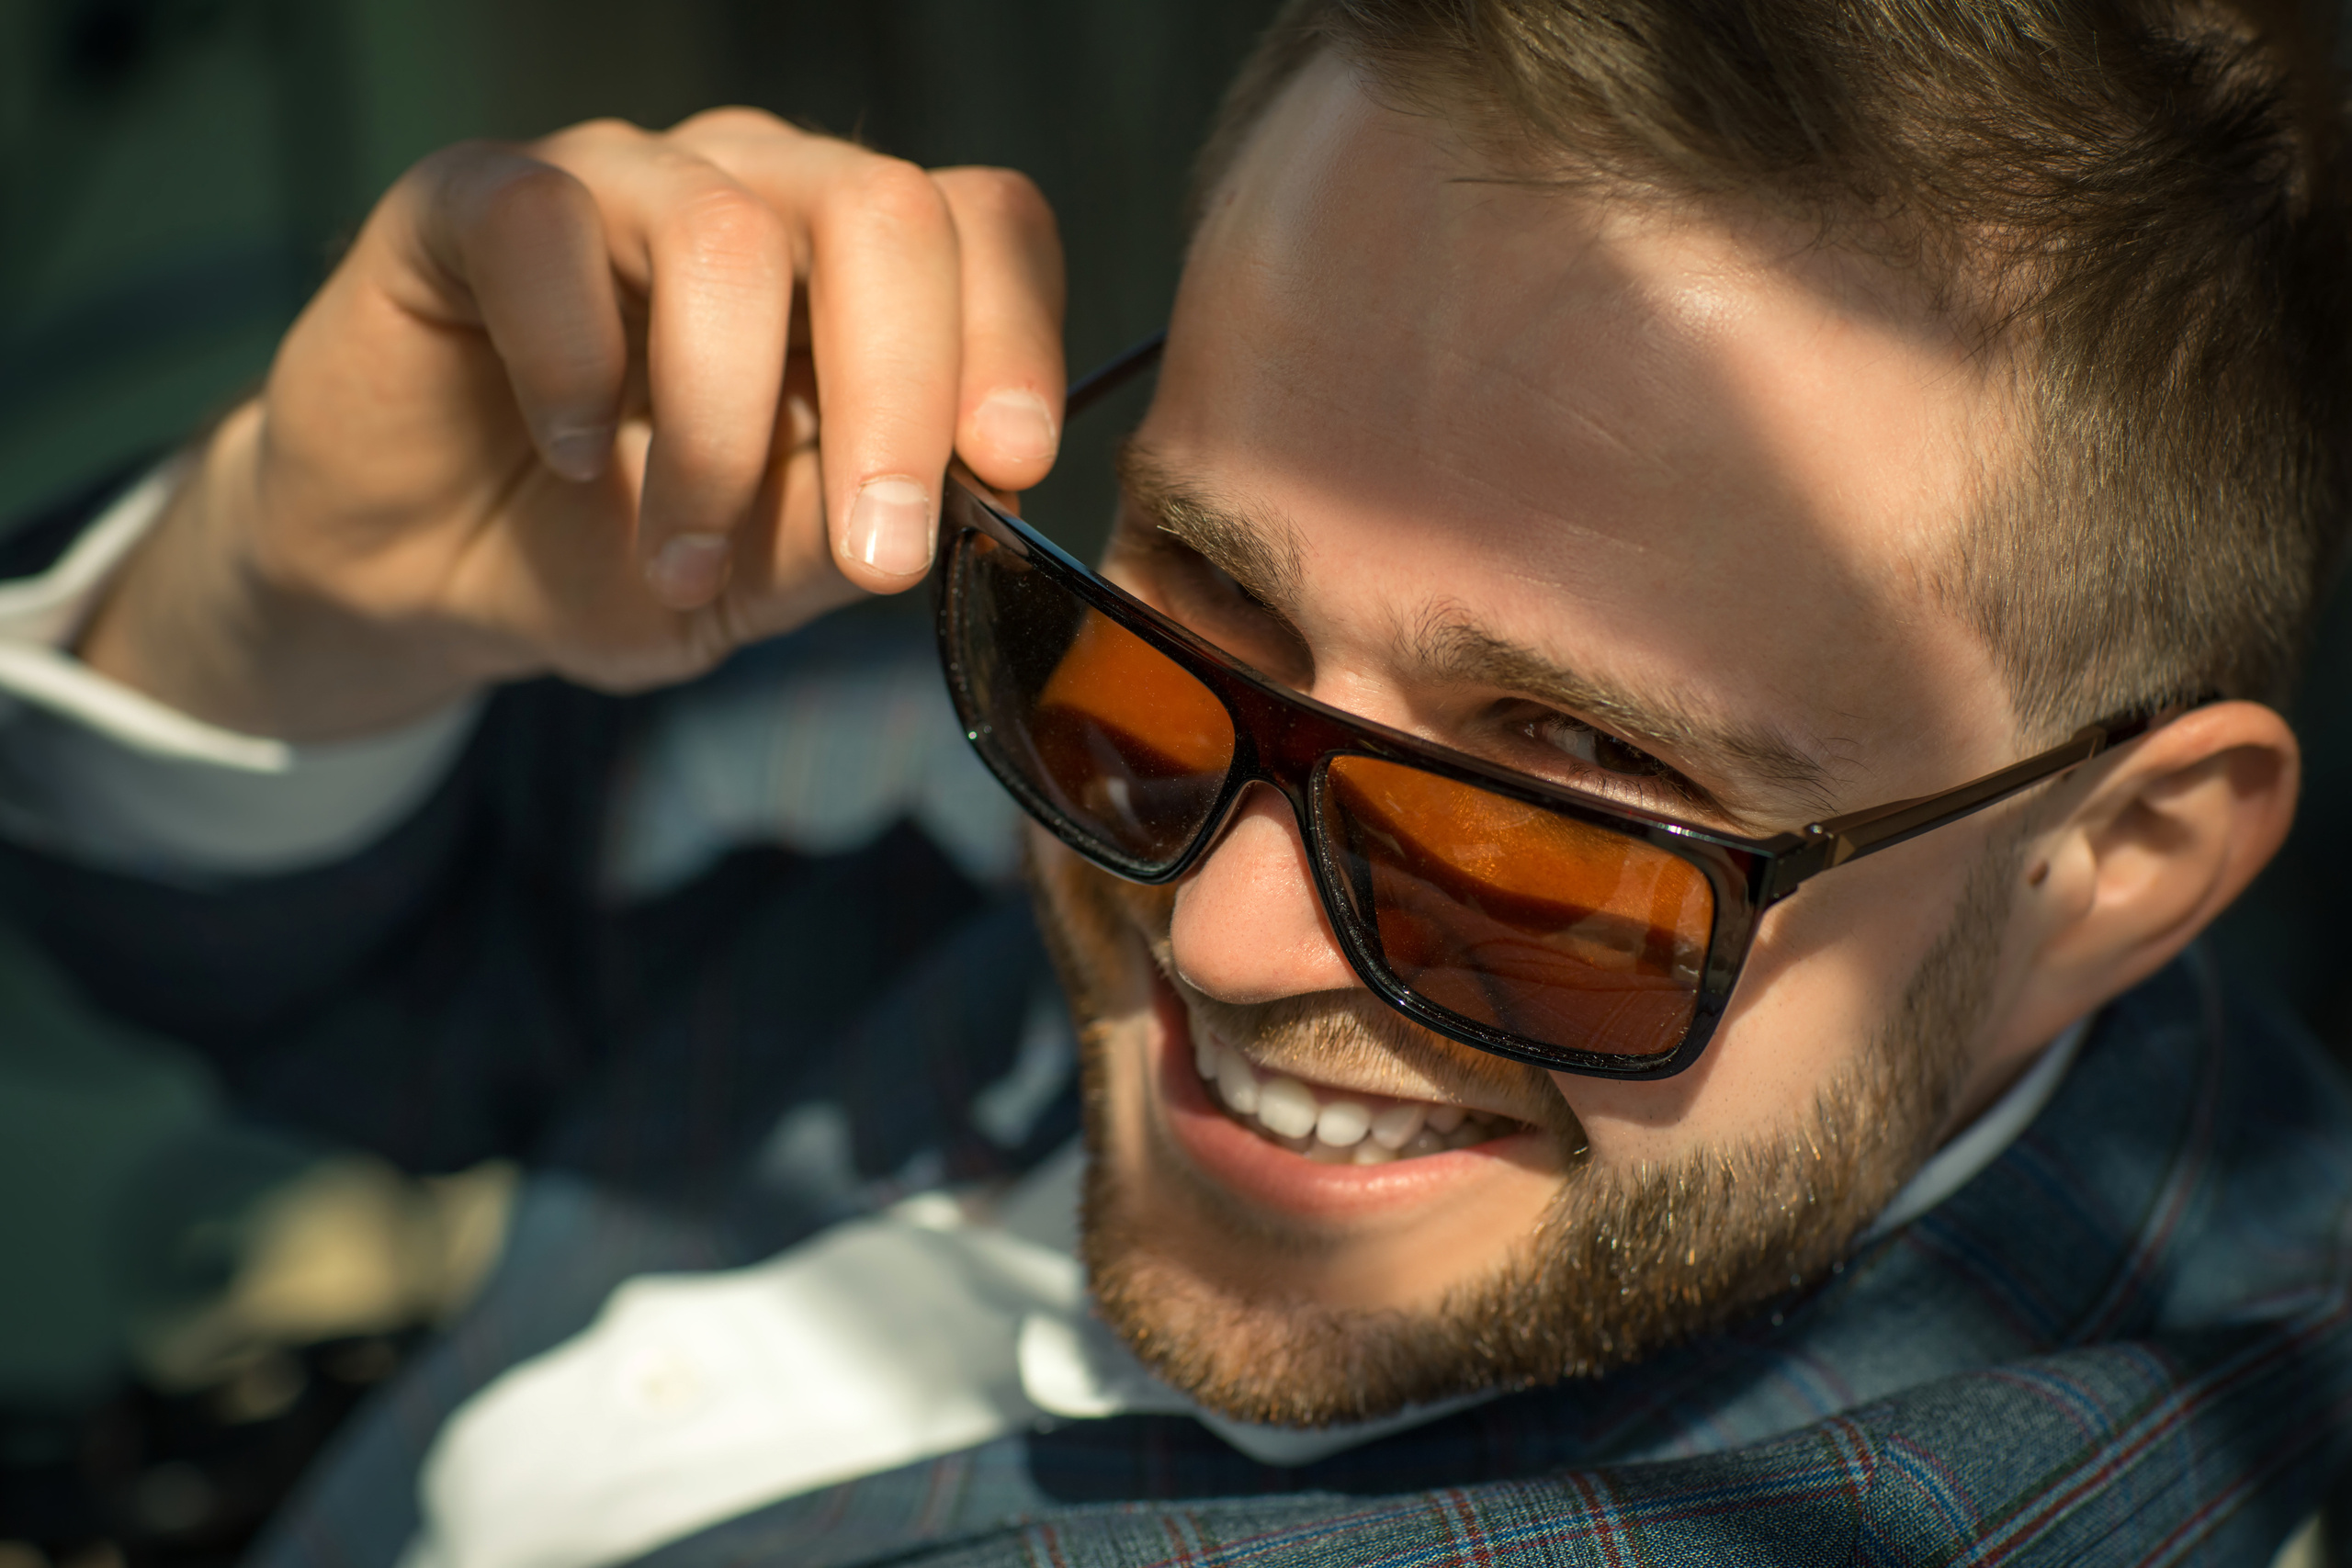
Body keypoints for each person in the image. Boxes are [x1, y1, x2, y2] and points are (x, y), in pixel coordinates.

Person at [2, 0, 2349, 1562]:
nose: (1216, 934)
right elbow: (399, 965)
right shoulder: (1029, 776)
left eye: (1550, 817)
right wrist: (277, 592)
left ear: (2105, 864)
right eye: (1183, 621)